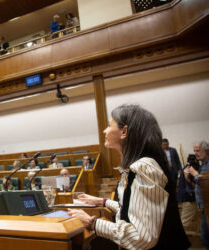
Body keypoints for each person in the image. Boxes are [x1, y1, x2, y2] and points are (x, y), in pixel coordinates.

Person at [67, 104, 189, 249]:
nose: (104, 130)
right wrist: (102, 201)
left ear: (124, 131)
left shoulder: (144, 167)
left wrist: (91, 222)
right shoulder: (141, 164)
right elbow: (130, 208)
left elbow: (140, 237)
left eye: (109, 125)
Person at [184, 141, 209, 248]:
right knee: (205, 236)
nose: (195, 153)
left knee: (204, 236)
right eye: (194, 151)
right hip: (204, 206)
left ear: (207, 151)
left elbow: (206, 181)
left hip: (207, 205)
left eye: (198, 151)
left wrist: (195, 174)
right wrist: (188, 178)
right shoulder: (203, 164)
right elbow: (198, 186)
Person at [177, 154, 200, 233]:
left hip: (189, 197)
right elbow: (194, 185)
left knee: (199, 218)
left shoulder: (186, 168)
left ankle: (200, 234)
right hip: (190, 198)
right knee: (184, 221)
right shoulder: (190, 169)